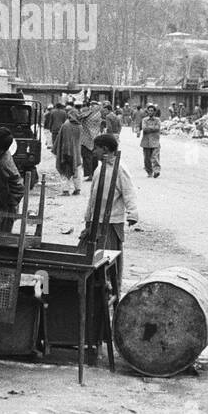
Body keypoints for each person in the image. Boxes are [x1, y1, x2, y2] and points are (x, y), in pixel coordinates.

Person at [83, 133, 138, 293]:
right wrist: (88, 219)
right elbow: (92, 197)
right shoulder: (100, 168)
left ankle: (113, 290)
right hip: (96, 221)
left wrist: (132, 214)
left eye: (96, 148)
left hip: (111, 222)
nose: (93, 152)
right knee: (95, 258)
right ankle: (98, 291)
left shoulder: (120, 169)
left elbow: (129, 192)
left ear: (105, 149)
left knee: (109, 259)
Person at [55, 108, 84, 196]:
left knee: (64, 171)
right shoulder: (80, 126)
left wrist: (63, 152)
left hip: (66, 152)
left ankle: (65, 190)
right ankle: (77, 189)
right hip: (77, 152)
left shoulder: (66, 125)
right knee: (77, 171)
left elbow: (63, 140)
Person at [140, 105, 162, 178]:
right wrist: (153, 128)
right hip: (146, 141)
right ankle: (149, 172)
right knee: (147, 158)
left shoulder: (157, 120)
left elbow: (158, 128)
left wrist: (149, 128)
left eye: (152, 110)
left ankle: (156, 171)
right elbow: (144, 128)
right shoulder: (144, 120)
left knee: (155, 157)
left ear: (154, 112)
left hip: (155, 141)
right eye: (149, 110)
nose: (150, 112)